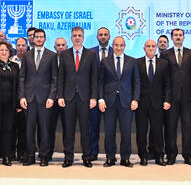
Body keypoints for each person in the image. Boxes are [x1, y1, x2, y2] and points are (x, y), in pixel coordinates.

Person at [57, 27, 97, 168]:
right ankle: (68, 157)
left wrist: (93, 97)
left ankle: (87, 157)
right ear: (71, 38)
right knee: (68, 129)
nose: (77, 37)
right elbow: (61, 77)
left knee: (85, 129)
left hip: (85, 98)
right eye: (75, 35)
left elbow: (94, 77)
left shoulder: (91, 54)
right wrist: (60, 95)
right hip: (68, 97)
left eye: (79, 35)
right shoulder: (64, 54)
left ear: (83, 37)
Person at [99, 36, 140, 167]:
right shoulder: (105, 61)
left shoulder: (132, 61)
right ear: (112, 45)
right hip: (109, 101)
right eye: (116, 45)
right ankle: (110, 158)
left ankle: (125, 158)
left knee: (126, 131)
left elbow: (136, 82)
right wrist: (100, 99)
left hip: (126, 101)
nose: (118, 47)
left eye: (121, 45)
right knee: (109, 131)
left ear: (125, 46)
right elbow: (100, 81)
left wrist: (135, 99)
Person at [19, 29, 57, 166]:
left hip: (45, 99)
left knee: (44, 129)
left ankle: (44, 156)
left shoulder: (52, 55)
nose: (39, 39)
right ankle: (30, 156)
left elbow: (54, 78)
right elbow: (22, 78)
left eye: (41, 37)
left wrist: (52, 97)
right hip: (29, 98)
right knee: (29, 129)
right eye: (37, 37)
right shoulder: (26, 55)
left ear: (45, 39)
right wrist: (21, 96)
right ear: (33, 39)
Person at [160, 28, 191, 165]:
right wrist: (165, 97)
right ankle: (171, 155)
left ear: (184, 37)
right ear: (171, 38)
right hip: (171, 97)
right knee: (170, 128)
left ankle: (188, 155)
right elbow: (163, 77)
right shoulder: (165, 54)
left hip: (188, 97)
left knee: (187, 127)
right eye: (175, 35)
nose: (178, 37)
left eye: (180, 35)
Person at [136, 39, 171, 166]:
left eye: (153, 46)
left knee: (157, 130)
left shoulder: (164, 64)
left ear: (156, 48)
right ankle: (143, 156)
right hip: (141, 103)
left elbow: (167, 84)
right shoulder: (137, 62)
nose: (151, 48)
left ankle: (159, 155)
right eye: (148, 46)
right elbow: (135, 83)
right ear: (144, 48)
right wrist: (134, 99)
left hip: (158, 103)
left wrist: (167, 100)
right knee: (141, 131)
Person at [89, 27, 113, 161]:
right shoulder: (90, 52)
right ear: (97, 37)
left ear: (109, 36)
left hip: (110, 95)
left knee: (110, 127)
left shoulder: (116, 51)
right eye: (100, 35)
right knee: (93, 126)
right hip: (93, 95)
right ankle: (93, 152)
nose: (103, 36)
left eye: (105, 34)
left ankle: (111, 154)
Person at [48, 37, 67, 161]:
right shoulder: (50, 58)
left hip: (66, 99)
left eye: (63, 45)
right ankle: (48, 153)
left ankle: (67, 155)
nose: (60, 47)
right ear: (54, 47)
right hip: (51, 99)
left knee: (67, 128)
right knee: (49, 128)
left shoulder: (71, 59)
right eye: (58, 45)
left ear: (66, 47)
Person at [11, 37, 28, 161]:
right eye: (19, 45)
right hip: (12, 99)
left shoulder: (31, 59)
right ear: (15, 47)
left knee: (24, 128)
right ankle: (10, 152)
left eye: (23, 45)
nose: (21, 47)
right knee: (11, 128)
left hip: (27, 99)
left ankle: (22, 151)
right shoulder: (10, 61)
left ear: (27, 47)